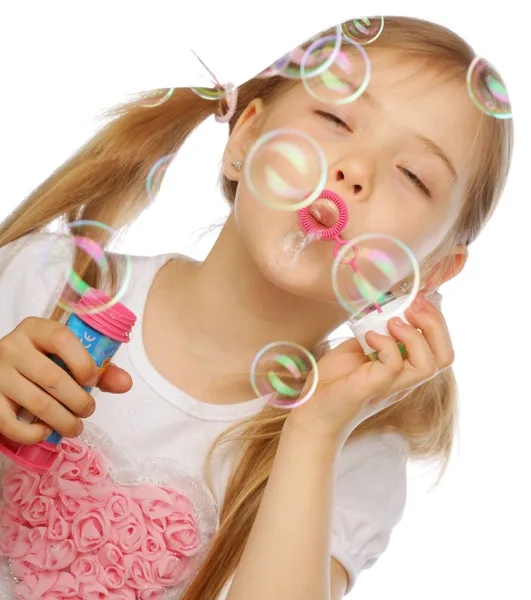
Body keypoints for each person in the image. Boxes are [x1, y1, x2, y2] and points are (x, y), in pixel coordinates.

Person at [0, 15, 513, 600]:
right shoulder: (36, 287)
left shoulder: (358, 448)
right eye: (335, 118)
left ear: (432, 272)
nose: (354, 171)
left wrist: (315, 432)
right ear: (245, 137)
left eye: (412, 175)